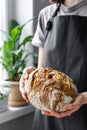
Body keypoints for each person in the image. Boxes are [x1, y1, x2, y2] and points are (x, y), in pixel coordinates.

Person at [20, 0, 87, 130]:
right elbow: (43, 70)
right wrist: (31, 76)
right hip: (48, 116)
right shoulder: (46, 14)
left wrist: (83, 98)